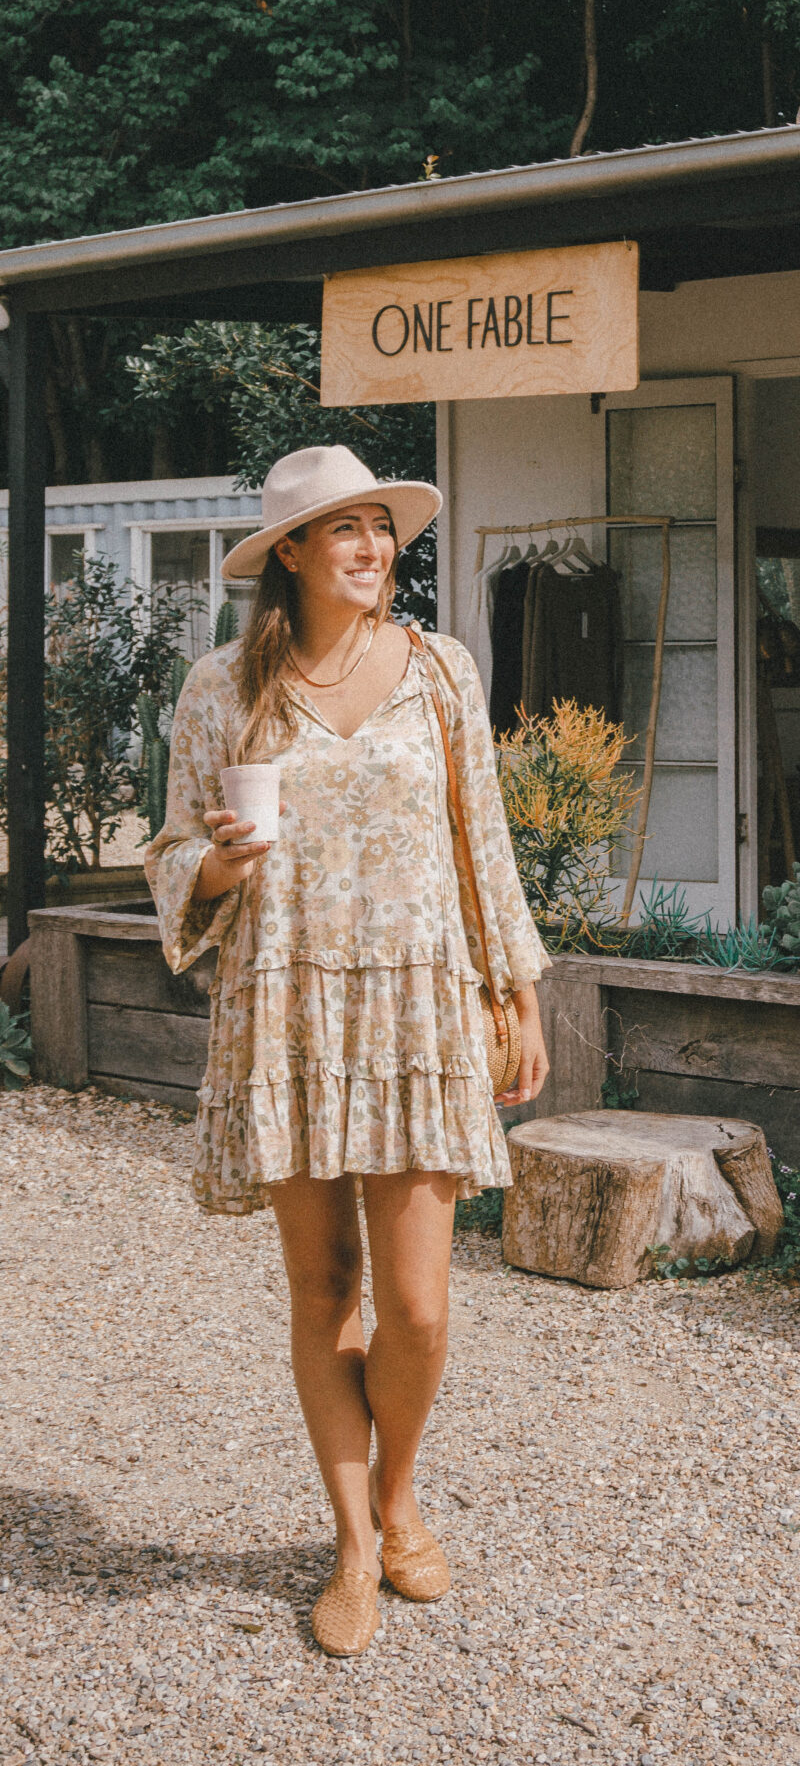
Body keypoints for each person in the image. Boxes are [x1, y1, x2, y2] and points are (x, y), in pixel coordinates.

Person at [146, 445, 550, 1657]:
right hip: (288, 1009)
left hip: (420, 1009)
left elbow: (484, 836)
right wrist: (215, 864)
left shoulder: (440, 671)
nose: (375, 549)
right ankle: (354, 1542)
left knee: (419, 1307)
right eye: (347, 531)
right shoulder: (223, 688)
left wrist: (518, 992)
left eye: (383, 527)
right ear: (292, 556)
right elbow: (170, 853)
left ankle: (400, 1488)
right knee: (325, 1291)